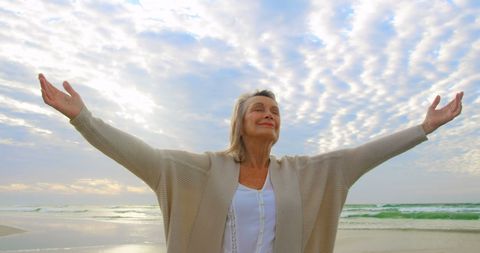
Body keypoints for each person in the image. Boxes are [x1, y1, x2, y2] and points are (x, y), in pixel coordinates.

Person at [38, 73, 463, 253]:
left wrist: (423, 128)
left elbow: (363, 155)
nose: (269, 114)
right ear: (239, 122)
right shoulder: (202, 170)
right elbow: (140, 155)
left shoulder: (305, 172)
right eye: (259, 108)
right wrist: (83, 119)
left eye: (275, 112)